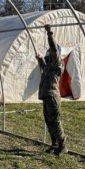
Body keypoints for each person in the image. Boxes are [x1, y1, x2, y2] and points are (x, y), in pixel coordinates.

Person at [35, 24, 68, 156]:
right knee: (48, 121)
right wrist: (39, 59)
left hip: (52, 96)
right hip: (46, 96)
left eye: (50, 53)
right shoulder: (49, 65)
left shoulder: (58, 63)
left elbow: (54, 48)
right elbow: (43, 67)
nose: (48, 54)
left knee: (55, 121)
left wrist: (49, 33)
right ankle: (54, 144)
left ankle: (63, 145)